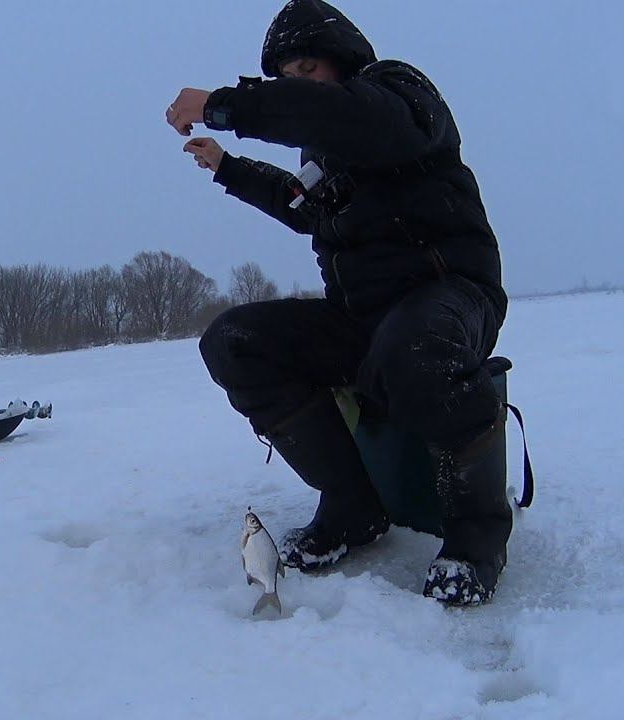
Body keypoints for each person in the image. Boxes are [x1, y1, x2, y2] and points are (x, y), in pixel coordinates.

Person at [166, 0, 512, 605]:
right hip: (364, 321)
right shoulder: (327, 160)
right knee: (235, 340)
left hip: (450, 297)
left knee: (416, 345)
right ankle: (353, 508)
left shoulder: (398, 95)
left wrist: (228, 105)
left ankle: (476, 538)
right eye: (286, 80)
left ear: (343, 59)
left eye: (307, 69)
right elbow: (299, 205)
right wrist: (228, 168)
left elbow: (353, 120)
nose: (297, 88)